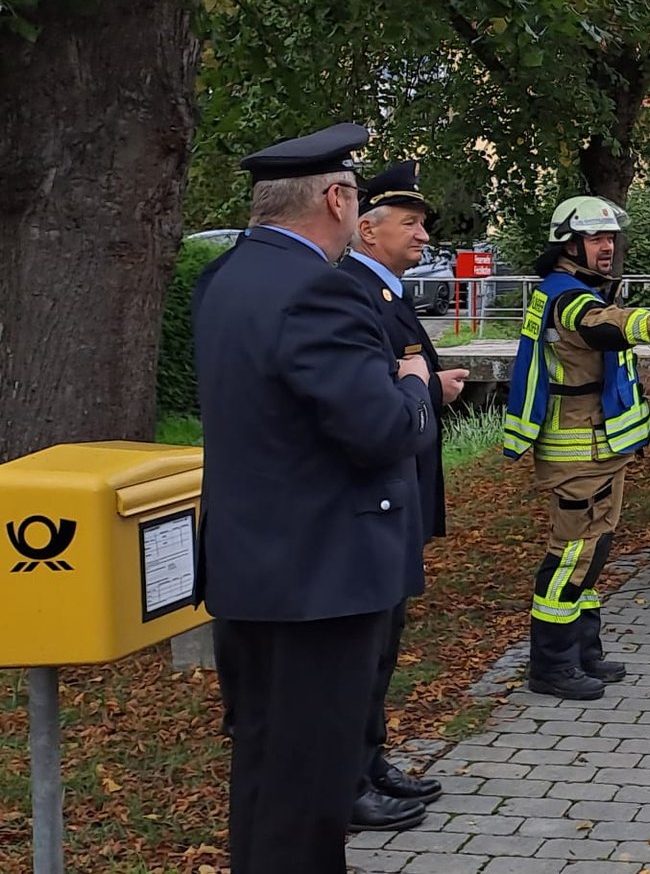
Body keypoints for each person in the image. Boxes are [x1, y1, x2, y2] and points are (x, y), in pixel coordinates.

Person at [194, 122, 438, 874]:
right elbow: (377, 430)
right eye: (356, 197)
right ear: (336, 199)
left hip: (252, 567)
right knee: (311, 790)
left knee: (266, 771)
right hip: (322, 581)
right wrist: (415, 389)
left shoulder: (226, 277)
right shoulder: (319, 290)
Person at [503, 196, 650, 700]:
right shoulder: (567, 298)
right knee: (572, 554)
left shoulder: (576, 290)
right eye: (598, 238)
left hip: (599, 449)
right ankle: (551, 665)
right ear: (569, 244)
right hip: (577, 452)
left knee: (593, 550)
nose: (609, 247)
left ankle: (583, 652)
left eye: (611, 238)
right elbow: (606, 326)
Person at [339, 161, 470, 832]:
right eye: (410, 223)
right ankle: (352, 776)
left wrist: (425, 385)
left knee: (384, 642)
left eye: (423, 223)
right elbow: (375, 389)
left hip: (402, 491)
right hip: (377, 497)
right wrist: (424, 386)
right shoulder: (353, 291)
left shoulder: (385, 292)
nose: (423, 235)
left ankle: (372, 759)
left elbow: (401, 375)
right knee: (367, 645)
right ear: (367, 229)